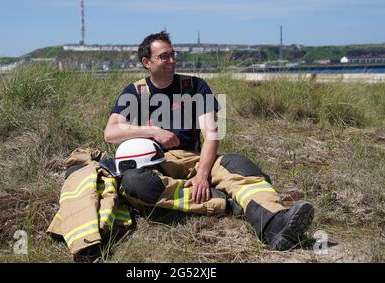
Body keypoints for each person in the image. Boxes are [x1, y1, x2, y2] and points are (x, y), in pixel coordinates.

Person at [104, 31, 314, 250]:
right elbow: (110, 133)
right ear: (147, 62)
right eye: (164, 57)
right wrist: (154, 132)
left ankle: (275, 224)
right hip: (157, 163)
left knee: (240, 165)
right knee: (134, 183)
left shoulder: (196, 86)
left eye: (173, 54)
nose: (172, 60)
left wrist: (203, 174)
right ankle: (227, 202)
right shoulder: (135, 91)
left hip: (197, 159)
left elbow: (212, 134)